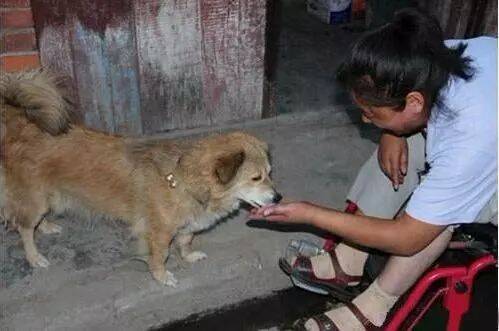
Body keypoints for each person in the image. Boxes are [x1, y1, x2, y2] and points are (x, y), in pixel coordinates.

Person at [250, 8, 497, 331]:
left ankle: (374, 307)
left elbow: (408, 238)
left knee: (435, 220)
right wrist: (390, 132)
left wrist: (311, 214)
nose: (365, 119)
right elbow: (408, 118)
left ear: (412, 103)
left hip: (486, 151)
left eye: (370, 112)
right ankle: (350, 259)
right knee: (401, 144)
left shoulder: (470, 138)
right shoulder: (433, 57)